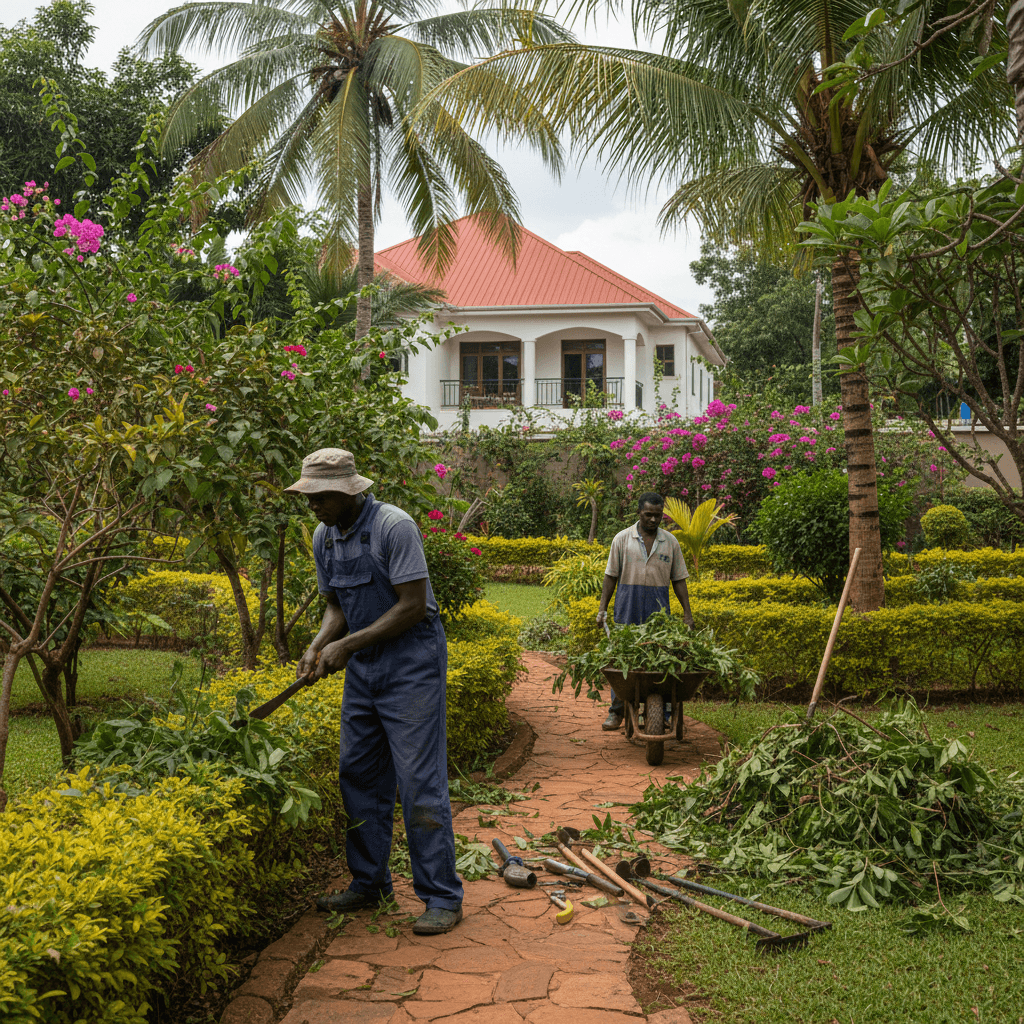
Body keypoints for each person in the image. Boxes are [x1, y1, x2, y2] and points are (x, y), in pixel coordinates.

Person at [285, 448, 463, 936]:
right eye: (308, 496)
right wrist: (320, 643)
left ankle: (442, 896)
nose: (312, 505)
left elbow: (411, 606)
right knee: (358, 774)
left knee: (419, 782)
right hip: (364, 668)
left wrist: (347, 646)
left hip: (412, 663)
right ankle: (370, 882)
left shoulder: (394, 526)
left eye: (320, 496)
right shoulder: (325, 537)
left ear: (348, 492)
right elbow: (336, 607)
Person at [596, 491, 694, 731]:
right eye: (648, 514)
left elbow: (679, 580)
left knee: (661, 663)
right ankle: (617, 712)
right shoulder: (622, 539)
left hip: (658, 615)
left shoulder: (670, 542)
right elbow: (610, 577)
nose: (653, 520)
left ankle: (665, 712)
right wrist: (602, 609)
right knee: (622, 662)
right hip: (626, 610)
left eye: (658, 516)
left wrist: (687, 615)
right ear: (639, 512)